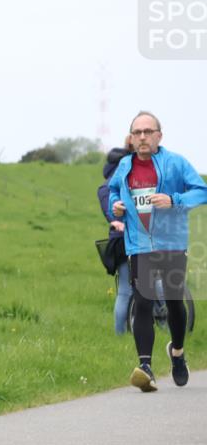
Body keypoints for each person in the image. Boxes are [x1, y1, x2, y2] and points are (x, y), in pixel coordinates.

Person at [108, 111, 207, 391]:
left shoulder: (175, 163)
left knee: (175, 301)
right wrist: (115, 206)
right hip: (140, 245)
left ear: (158, 136)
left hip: (173, 244)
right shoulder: (125, 167)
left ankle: (177, 353)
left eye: (148, 132)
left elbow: (202, 191)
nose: (142, 137)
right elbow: (113, 193)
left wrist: (174, 199)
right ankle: (146, 367)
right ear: (131, 137)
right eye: (137, 132)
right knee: (143, 302)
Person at [97, 142, 132, 335]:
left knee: (126, 290)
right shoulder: (113, 186)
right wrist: (116, 222)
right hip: (124, 240)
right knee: (128, 290)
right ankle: (120, 334)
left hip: (120, 240)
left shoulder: (105, 186)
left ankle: (122, 334)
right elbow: (109, 211)